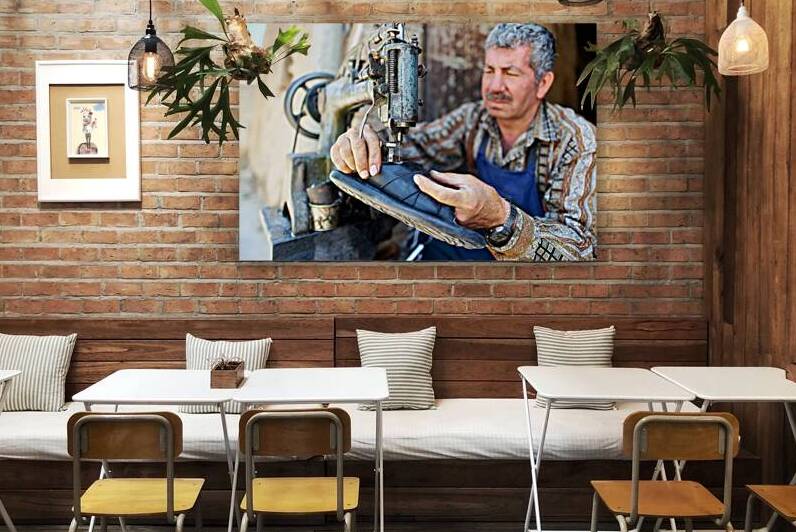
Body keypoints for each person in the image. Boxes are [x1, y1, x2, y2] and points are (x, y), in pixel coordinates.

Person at [329, 23, 597, 261]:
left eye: (510, 73)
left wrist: (501, 218)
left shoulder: (575, 141)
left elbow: (581, 250)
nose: (494, 86)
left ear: (543, 83)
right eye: (489, 70)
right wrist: (365, 144)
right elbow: (413, 146)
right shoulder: (474, 120)